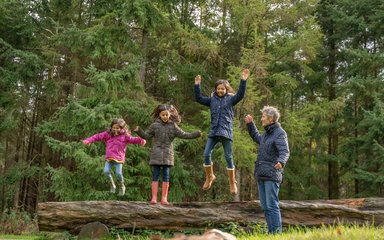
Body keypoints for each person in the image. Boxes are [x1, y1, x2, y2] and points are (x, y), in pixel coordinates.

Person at [194, 69, 249, 194]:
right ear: (215, 89)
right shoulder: (212, 100)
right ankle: (210, 176)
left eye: (222, 89)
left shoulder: (230, 100)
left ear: (226, 90)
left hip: (226, 133)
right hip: (213, 132)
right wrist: (197, 85)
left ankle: (232, 182)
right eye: (218, 89)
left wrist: (243, 80)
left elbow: (240, 94)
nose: (220, 90)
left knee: (228, 157)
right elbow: (198, 98)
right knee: (206, 154)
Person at [134, 104, 201, 205]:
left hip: (168, 154)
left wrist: (196, 134)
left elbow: (184, 135)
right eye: (163, 114)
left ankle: (164, 198)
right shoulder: (154, 125)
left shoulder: (173, 126)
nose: (165, 116)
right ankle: (154, 198)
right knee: (155, 175)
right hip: (156, 153)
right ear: (159, 115)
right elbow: (147, 136)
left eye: (166, 114)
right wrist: (139, 131)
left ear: (170, 115)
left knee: (166, 175)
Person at [244, 106, 289, 234]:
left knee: (272, 205)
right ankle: (271, 233)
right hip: (261, 174)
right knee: (265, 207)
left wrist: (281, 161)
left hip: (272, 174)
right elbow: (257, 137)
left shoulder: (280, 133)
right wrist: (250, 125)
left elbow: (285, 151)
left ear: (270, 118)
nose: (261, 118)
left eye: (263, 116)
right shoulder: (266, 134)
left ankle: (277, 234)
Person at [82, 118, 146, 196]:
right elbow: (97, 136)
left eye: (117, 128)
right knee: (106, 172)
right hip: (109, 158)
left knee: (118, 173)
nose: (115, 129)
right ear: (111, 127)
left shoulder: (125, 136)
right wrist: (89, 140)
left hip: (119, 158)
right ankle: (112, 184)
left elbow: (133, 139)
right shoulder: (107, 134)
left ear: (121, 128)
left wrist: (141, 140)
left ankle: (122, 186)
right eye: (114, 127)